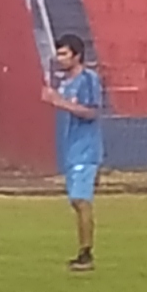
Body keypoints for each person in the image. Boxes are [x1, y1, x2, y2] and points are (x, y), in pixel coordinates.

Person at [41, 35, 106, 271]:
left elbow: (91, 113)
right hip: (70, 149)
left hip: (85, 149)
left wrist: (59, 102)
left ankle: (86, 254)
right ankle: (84, 250)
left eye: (64, 54)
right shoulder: (64, 83)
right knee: (76, 201)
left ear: (76, 56)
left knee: (81, 200)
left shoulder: (88, 79)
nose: (60, 58)